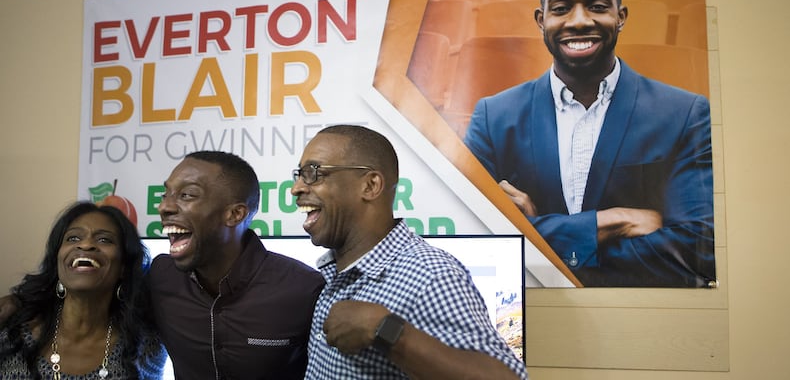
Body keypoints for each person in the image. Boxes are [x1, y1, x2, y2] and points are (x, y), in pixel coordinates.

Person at [463, 0, 715, 287]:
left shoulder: (684, 114)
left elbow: (699, 247)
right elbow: (472, 237)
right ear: (541, 20)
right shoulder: (494, 117)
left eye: (597, 6)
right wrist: (616, 221)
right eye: (561, 7)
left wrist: (540, 237)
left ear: (621, 16)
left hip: (644, 320)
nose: (579, 20)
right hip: (531, 317)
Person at [291, 124, 528, 379]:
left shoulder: (430, 275)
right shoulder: (333, 273)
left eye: (313, 173)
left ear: (370, 185)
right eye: (299, 175)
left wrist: (387, 331)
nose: (296, 188)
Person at [152, 150, 325, 379]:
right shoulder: (160, 277)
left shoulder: (305, 290)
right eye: (166, 194)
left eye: (186, 195)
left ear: (235, 214)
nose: (164, 207)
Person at [0, 201, 166, 378]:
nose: (86, 245)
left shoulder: (145, 346)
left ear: (123, 267)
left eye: (104, 240)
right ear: (57, 260)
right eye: (73, 238)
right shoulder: (10, 333)